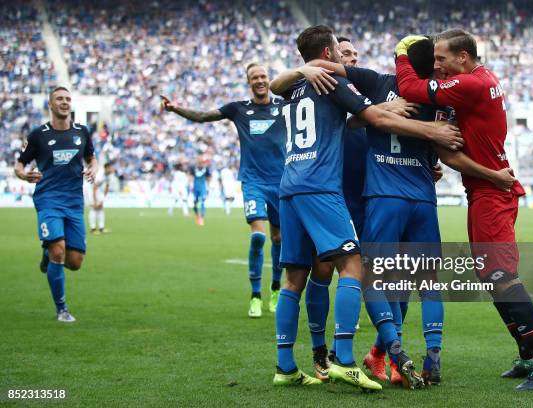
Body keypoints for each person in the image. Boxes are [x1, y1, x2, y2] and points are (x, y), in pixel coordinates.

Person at [287, 36, 516, 387]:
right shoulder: (440, 101)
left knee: (375, 279)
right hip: (423, 199)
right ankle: (431, 354)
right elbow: (448, 151)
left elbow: (335, 81)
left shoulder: (377, 83)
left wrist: (305, 70)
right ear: (432, 67)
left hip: (380, 197)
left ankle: (391, 350)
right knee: (424, 284)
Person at [270, 25, 463, 390]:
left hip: (294, 185)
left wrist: (377, 105)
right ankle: (346, 359)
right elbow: (372, 118)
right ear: (328, 54)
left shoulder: (296, 86)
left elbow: (348, 114)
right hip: (327, 187)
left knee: (297, 277)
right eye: (340, 51)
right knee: (356, 269)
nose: (348, 57)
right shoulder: (335, 83)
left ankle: (287, 364)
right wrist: (429, 133)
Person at [395, 30, 533, 391]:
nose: (437, 65)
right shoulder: (474, 84)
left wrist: (403, 55)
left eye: (442, 59)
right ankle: (528, 355)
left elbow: (410, 89)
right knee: (493, 279)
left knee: (502, 277)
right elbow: (446, 147)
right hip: (485, 192)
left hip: (492, 192)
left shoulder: (469, 84)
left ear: (464, 59)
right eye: (434, 59)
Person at [161, 63, 286, 317]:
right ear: (248, 82)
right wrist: (175, 109)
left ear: (269, 79)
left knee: (279, 239)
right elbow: (203, 116)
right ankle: (254, 296)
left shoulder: (284, 107)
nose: (260, 80)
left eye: (263, 76)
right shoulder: (238, 109)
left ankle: (275, 288)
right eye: (254, 77)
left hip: (282, 182)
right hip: (253, 182)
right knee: (258, 236)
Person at [14, 86, 97, 322]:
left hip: (73, 202)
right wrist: (24, 176)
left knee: (75, 262)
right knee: (58, 250)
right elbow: (20, 165)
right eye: (59, 99)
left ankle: (46, 252)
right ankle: (62, 309)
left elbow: (91, 157)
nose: (64, 102)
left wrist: (93, 167)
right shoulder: (38, 135)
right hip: (48, 198)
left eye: (68, 99)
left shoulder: (82, 131)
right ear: (50, 105)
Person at [85, 161, 113, 234]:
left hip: (97, 191)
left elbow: (107, 188)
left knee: (100, 208)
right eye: (111, 167)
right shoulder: (100, 175)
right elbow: (94, 187)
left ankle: (101, 228)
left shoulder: (109, 175)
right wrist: (94, 201)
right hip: (89, 188)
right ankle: (93, 229)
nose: (112, 169)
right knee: (93, 208)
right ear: (106, 168)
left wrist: (102, 201)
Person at [191, 156, 211, 226]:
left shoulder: (206, 169)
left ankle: (201, 218)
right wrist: (190, 185)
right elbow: (190, 177)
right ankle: (197, 215)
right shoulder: (193, 168)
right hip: (195, 187)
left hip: (203, 187)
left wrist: (208, 187)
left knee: (202, 201)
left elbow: (209, 177)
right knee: (195, 202)